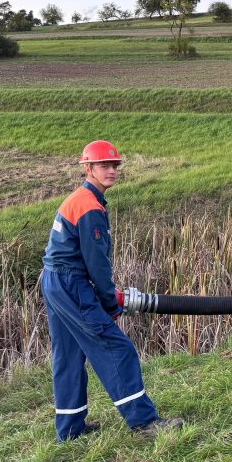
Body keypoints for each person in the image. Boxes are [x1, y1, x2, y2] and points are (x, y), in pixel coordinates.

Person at [41, 140, 182, 441]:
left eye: (114, 165)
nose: (111, 170)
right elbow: (97, 265)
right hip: (69, 283)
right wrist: (109, 302)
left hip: (54, 281)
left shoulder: (80, 198)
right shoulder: (89, 207)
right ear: (88, 168)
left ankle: (70, 430)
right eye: (104, 165)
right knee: (116, 348)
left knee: (67, 355)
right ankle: (144, 422)